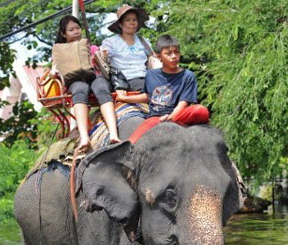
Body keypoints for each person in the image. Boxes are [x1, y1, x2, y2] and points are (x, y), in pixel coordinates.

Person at [116, 35, 210, 143]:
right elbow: (147, 96)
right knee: (131, 144)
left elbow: (183, 103)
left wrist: (171, 118)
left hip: (179, 115)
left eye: (176, 52)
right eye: (168, 53)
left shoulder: (188, 76)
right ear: (158, 56)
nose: (174, 56)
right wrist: (124, 98)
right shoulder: (151, 75)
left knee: (200, 110)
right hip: (156, 119)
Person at [52, 15, 120, 151]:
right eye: (71, 30)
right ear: (63, 34)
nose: (76, 31)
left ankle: (113, 133)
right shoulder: (60, 51)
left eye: (78, 28)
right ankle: (84, 137)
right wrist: (54, 71)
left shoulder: (91, 47)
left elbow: (102, 63)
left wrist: (102, 56)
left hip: (94, 76)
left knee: (101, 87)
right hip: (75, 80)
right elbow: (55, 67)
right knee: (79, 90)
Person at [91, 4, 152, 141]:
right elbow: (102, 60)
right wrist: (104, 55)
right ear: (120, 24)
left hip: (146, 77)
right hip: (125, 80)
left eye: (134, 20)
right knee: (154, 92)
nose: (132, 23)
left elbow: (153, 59)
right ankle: (126, 99)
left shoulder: (144, 41)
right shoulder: (111, 42)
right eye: (128, 20)